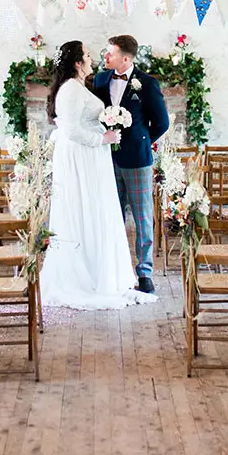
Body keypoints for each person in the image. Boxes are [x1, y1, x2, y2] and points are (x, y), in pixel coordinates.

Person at [39, 40, 158, 310]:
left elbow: (158, 120)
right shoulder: (71, 89)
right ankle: (88, 277)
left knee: (106, 214)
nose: (94, 58)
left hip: (108, 158)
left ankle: (106, 271)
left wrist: (142, 139)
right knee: (86, 213)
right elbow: (71, 130)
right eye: (88, 55)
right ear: (78, 63)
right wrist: (102, 138)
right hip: (83, 159)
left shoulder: (82, 86)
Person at [92, 35, 169, 295]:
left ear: (125, 58)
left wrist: (142, 141)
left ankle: (145, 272)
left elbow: (162, 123)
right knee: (111, 216)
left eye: (110, 53)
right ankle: (114, 269)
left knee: (143, 217)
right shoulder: (101, 80)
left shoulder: (147, 83)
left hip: (137, 159)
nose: (105, 56)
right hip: (106, 159)